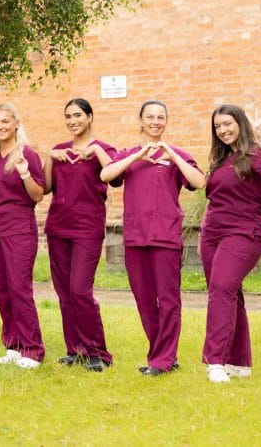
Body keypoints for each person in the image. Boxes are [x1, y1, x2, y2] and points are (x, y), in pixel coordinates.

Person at [101, 99, 205, 376]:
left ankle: (162, 360)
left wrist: (172, 154)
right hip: (136, 237)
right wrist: (138, 156)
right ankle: (162, 354)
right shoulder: (129, 154)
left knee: (168, 300)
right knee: (144, 300)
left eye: (160, 117)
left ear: (166, 121)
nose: (155, 122)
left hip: (166, 237)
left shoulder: (177, 155)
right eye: (150, 117)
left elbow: (199, 182)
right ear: (141, 120)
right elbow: (105, 174)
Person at [201, 105, 261, 383]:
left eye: (227, 124)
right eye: (217, 126)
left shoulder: (255, 154)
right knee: (229, 293)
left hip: (244, 232)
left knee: (221, 288)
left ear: (240, 123)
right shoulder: (222, 158)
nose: (222, 130)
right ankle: (239, 362)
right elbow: (214, 197)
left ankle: (215, 362)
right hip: (212, 233)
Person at [43, 98, 117, 372]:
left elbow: (115, 177)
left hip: (87, 228)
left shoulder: (103, 149)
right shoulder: (60, 150)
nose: (73, 121)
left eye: (77, 115)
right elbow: (46, 187)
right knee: (64, 291)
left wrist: (95, 150)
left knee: (79, 290)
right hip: (58, 227)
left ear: (89, 117)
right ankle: (75, 349)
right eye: (68, 116)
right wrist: (50, 157)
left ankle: (98, 352)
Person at [0, 104, 46, 368]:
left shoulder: (28, 155)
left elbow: (38, 195)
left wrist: (24, 173)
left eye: (5, 121)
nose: (0, 126)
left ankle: (32, 349)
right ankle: (13, 346)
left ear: (16, 123)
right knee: (2, 290)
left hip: (19, 231)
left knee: (19, 290)